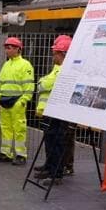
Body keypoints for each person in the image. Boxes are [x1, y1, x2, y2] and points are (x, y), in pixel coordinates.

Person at [35, 35, 72, 183]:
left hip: (58, 112)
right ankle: (50, 168)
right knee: (50, 141)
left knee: (57, 143)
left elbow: (43, 84)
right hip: (51, 111)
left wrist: (42, 82)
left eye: (55, 53)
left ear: (63, 54)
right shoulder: (57, 69)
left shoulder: (63, 70)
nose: (53, 56)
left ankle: (56, 173)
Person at [0, 36, 35, 165]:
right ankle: (6, 153)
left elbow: (29, 86)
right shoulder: (6, 64)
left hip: (17, 102)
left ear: (18, 49)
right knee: (5, 128)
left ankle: (21, 155)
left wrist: (23, 101)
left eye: (9, 48)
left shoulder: (25, 65)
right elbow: (0, 83)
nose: (6, 50)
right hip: (5, 101)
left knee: (19, 129)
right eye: (6, 48)